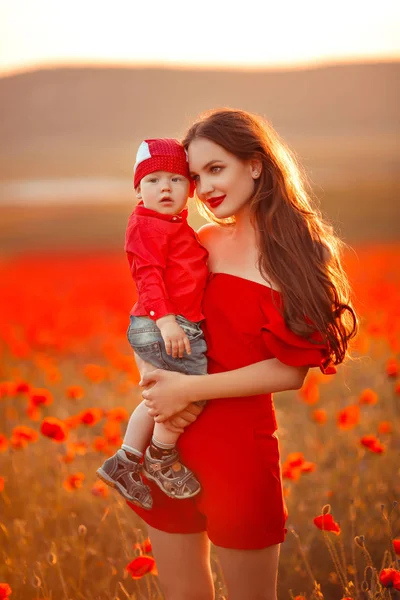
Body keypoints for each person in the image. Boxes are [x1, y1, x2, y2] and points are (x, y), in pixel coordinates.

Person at [126, 109, 358, 600]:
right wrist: (154, 383)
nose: (204, 187)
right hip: (169, 442)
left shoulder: (304, 252)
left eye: (217, 168)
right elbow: (145, 317)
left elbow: (291, 371)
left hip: (238, 453)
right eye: (195, 176)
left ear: (254, 165)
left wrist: (186, 389)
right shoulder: (201, 241)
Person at [97, 138, 209, 510]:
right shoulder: (146, 226)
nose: (165, 187)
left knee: (163, 396)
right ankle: (160, 457)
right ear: (138, 189)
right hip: (162, 322)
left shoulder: (169, 224)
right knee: (186, 397)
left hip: (162, 322)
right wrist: (166, 322)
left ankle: (125, 462)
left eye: (176, 180)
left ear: (189, 189)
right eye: (153, 180)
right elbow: (147, 276)